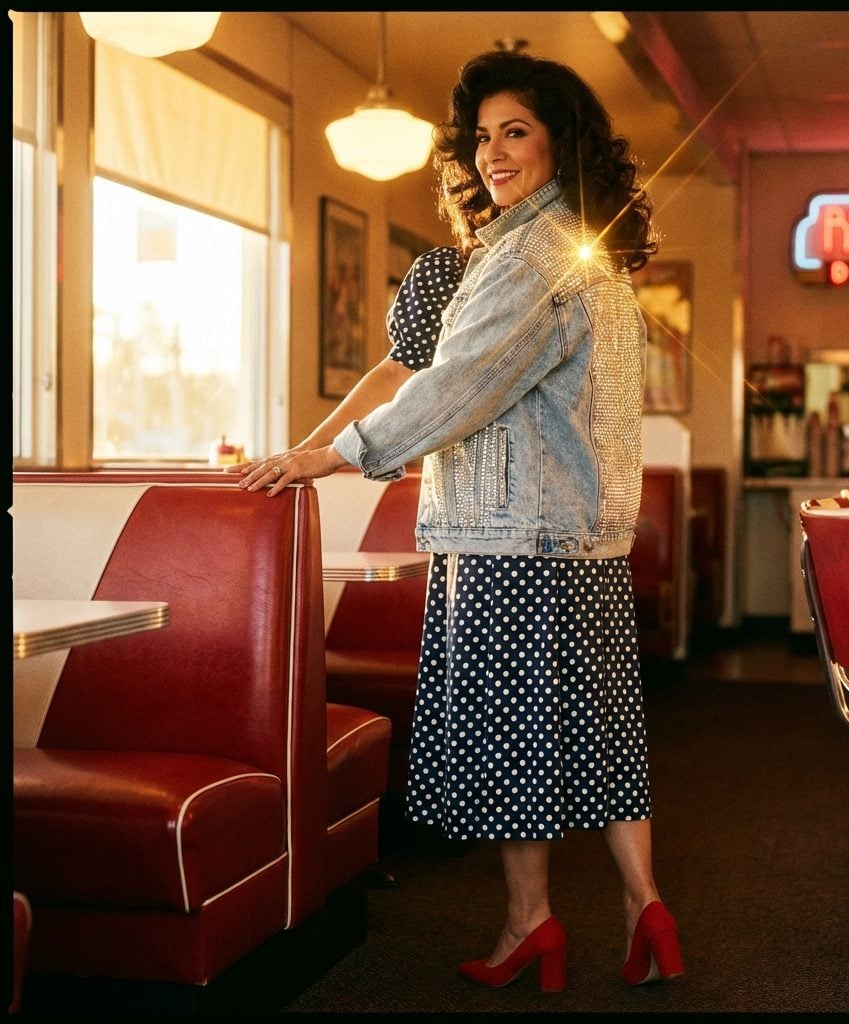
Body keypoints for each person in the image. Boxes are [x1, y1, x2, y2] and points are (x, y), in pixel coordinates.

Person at [237, 48, 684, 993]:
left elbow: (460, 387)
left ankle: (531, 923)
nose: (492, 154)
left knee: (519, 743)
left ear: (560, 140)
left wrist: (333, 452)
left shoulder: (528, 255)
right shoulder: (589, 254)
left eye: (514, 131)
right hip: (585, 540)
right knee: (598, 730)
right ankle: (645, 907)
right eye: (482, 137)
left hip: (511, 540)